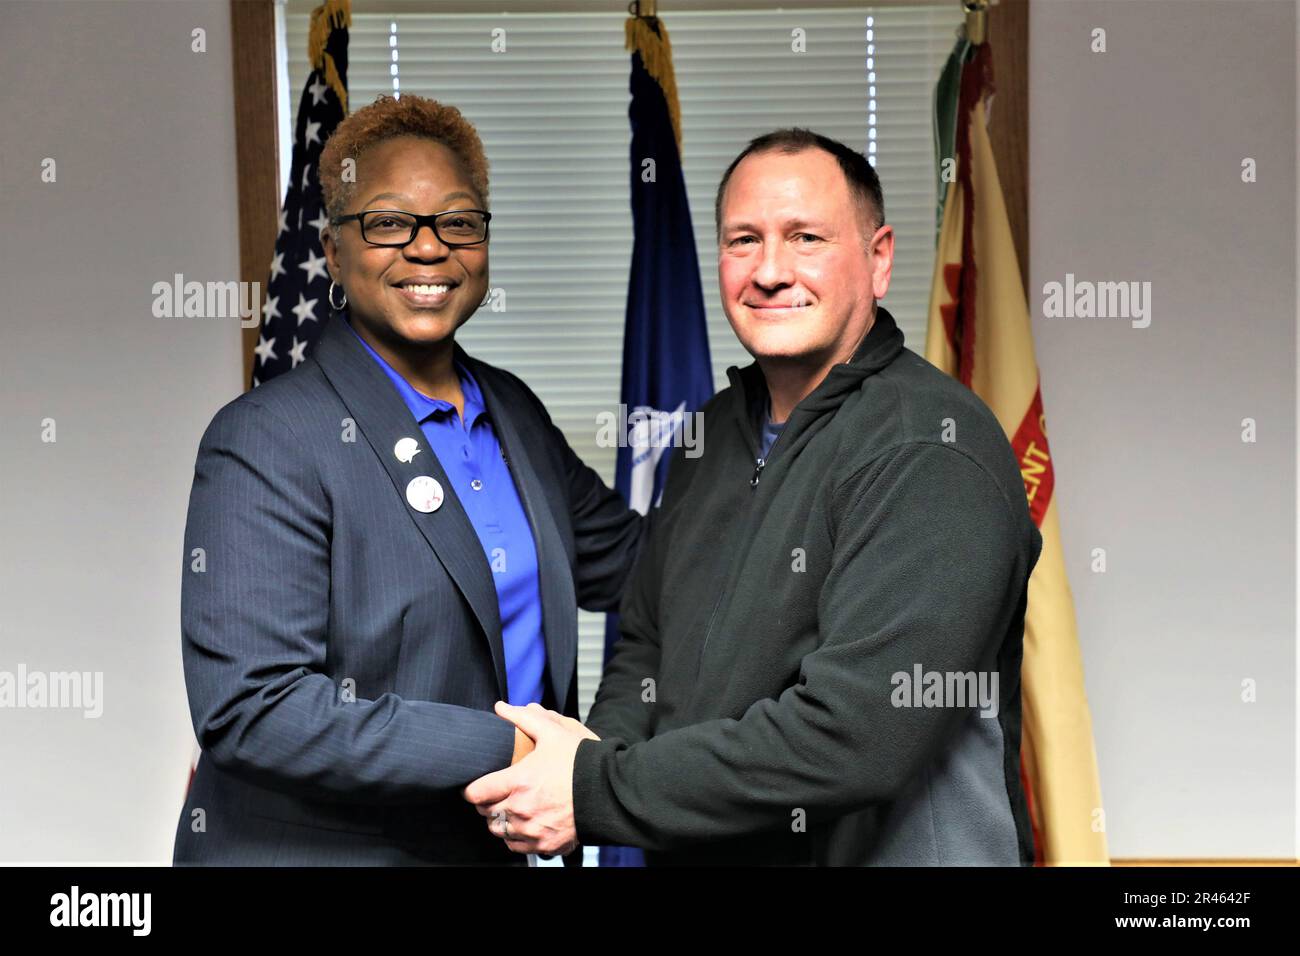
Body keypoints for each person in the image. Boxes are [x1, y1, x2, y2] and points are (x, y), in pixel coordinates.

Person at [465, 129, 1041, 866]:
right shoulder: (708, 437)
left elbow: (854, 736)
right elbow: (646, 645)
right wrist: (594, 757)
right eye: (744, 239)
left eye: (806, 237)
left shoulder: (931, 448)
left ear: (879, 258)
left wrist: (595, 787)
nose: (770, 270)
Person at [173, 94, 642, 865]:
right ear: (332, 246)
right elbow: (254, 709)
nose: (428, 249)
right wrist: (515, 749)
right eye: (389, 223)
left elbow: (641, 567)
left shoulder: (514, 411)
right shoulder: (266, 439)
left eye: (457, 222)